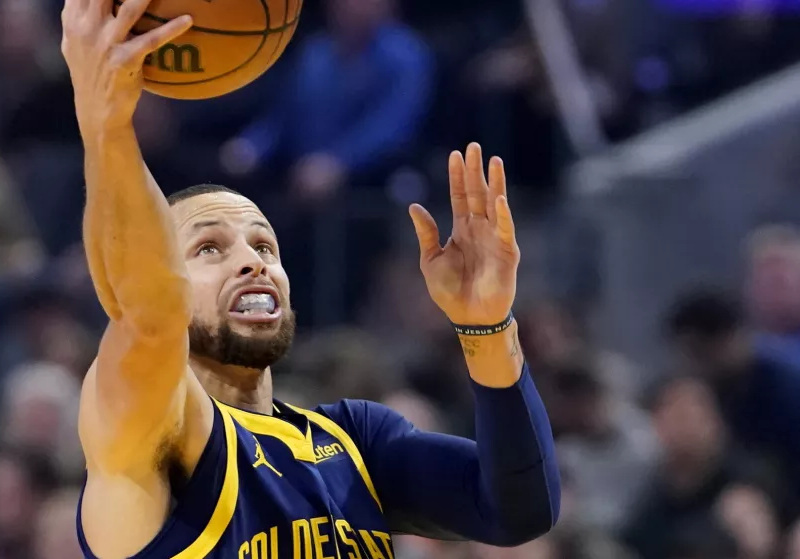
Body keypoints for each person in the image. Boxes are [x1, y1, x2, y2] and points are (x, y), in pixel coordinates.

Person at [60, 0, 561, 557]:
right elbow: (149, 313)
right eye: (208, 247)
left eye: (264, 245)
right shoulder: (150, 433)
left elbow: (520, 511)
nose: (252, 262)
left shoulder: (355, 441)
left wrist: (488, 328)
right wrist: (104, 125)